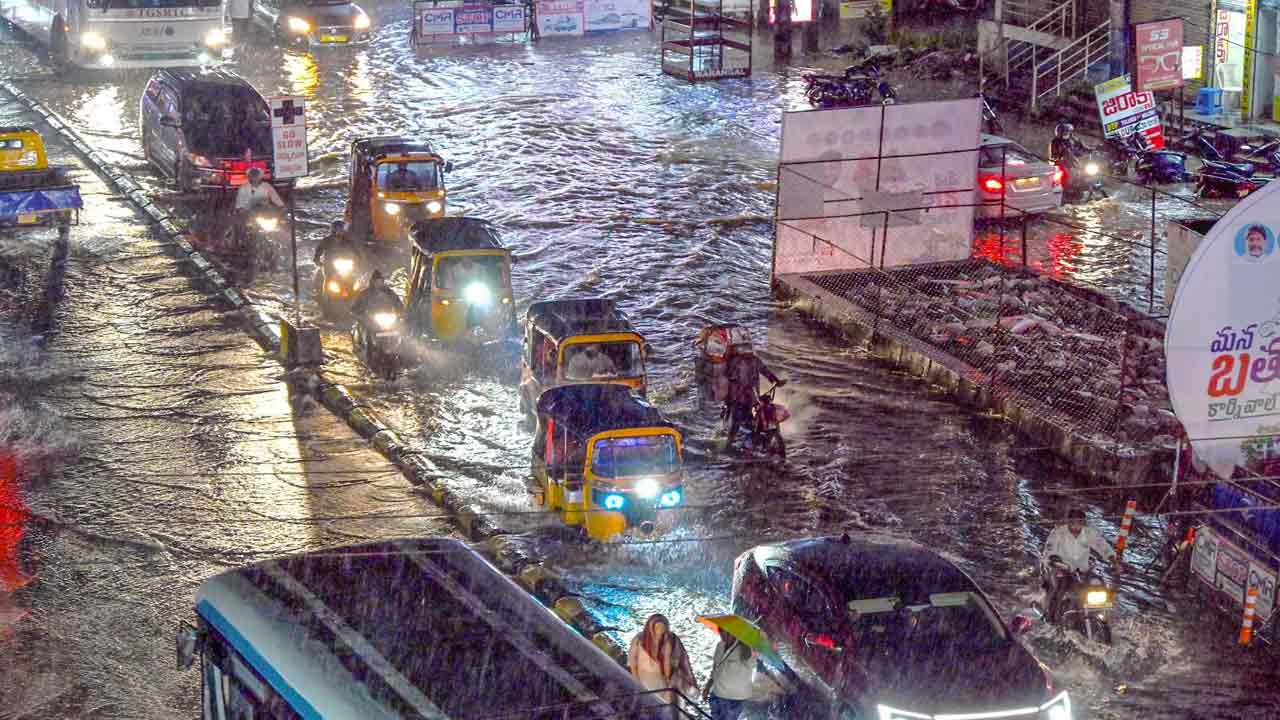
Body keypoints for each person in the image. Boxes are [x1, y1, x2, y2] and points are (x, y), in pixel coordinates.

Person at [1040, 508, 1119, 619]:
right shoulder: (1058, 533)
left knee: (1098, 584)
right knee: (1059, 588)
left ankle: (1099, 614)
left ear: (1084, 522)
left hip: (1083, 570)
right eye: (1073, 521)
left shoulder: (1089, 533)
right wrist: (1053, 560)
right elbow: (1049, 550)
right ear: (1068, 521)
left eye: (1080, 521)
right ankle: (1050, 617)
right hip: (1061, 568)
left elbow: (1102, 546)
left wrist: (1112, 559)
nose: (1076, 524)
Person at [628, 614, 697, 714]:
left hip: (662, 681)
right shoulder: (639, 639)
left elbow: (675, 660)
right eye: (657, 627)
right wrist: (636, 680)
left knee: (663, 705)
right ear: (651, 627)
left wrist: (670, 676)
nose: (660, 630)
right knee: (646, 705)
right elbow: (632, 662)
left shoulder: (671, 640)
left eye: (663, 627)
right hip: (644, 679)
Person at [724, 343, 784, 445]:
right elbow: (728, 377)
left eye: (750, 351)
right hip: (737, 396)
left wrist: (775, 381)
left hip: (753, 395)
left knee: (757, 415)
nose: (749, 353)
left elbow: (765, 371)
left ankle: (756, 438)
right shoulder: (735, 362)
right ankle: (729, 441)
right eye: (746, 351)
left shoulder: (755, 360)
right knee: (736, 420)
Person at [702, 629, 754, 720]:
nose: (723, 635)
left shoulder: (746, 649)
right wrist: (707, 687)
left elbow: (752, 663)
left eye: (727, 632)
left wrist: (747, 646)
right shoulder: (720, 645)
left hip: (735, 697)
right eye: (721, 631)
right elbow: (715, 668)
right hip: (717, 692)